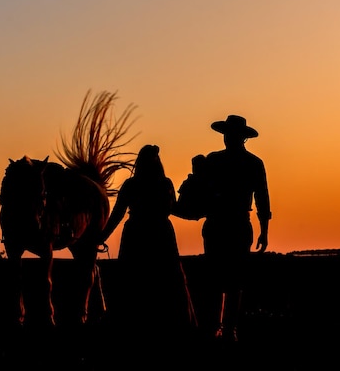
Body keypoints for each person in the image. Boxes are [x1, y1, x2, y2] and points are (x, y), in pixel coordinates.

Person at [100, 144, 197, 340]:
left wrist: (100, 237)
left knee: (134, 281)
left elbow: (117, 214)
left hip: (137, 235)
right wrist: (195, 211)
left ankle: (130, 327)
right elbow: (175, 208)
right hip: (161, 234)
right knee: (168, 281)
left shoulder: (130, 185)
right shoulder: (166, 184)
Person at [200, 115, 272, 342]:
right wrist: (264, 230)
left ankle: (221, 327)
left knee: (225, 279)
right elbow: (262, 199)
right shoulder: (253, 163)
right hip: (235, 224)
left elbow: (262, 199)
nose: (227, 138)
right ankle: (225, 328)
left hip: (224, 224)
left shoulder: (214, 160)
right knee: (229, 279)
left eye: (229, 135)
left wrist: (264, 230)